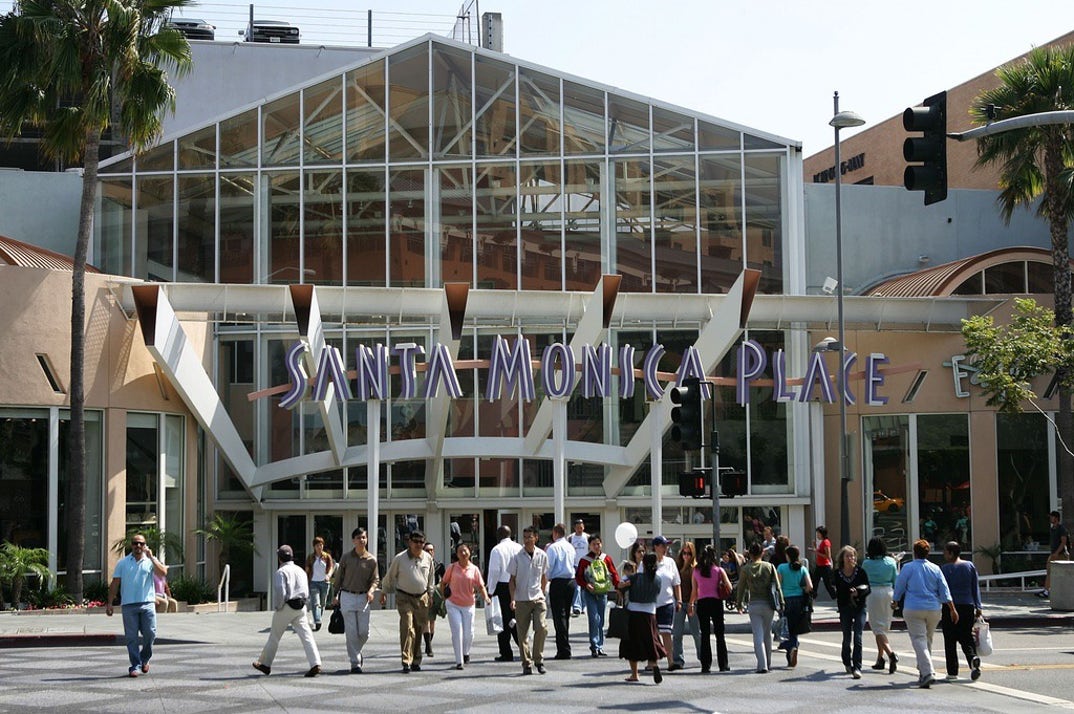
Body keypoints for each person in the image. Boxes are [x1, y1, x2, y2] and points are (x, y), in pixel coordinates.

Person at [894, 538, 957, 688]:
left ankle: (928, 672)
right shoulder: (935, 568)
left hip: (913, 607)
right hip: (934, 608)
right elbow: (944, 590)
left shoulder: (908, 567)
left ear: (915, 552)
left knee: (919, 639)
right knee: (927, 639)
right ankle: (923, 672)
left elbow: (900, 586)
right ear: (927, 553)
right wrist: (952, 608)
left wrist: (895, 600)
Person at [252, 545, 322, 678]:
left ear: (279, 558)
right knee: (307, 636)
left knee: (275, 636)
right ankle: (315, 663)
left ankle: (265, 664)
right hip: (301, 606)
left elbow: (280, 591)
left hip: (287, 606)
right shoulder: (300, 570)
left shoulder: (281, 572)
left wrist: (278, 607)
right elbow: (305, 590)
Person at [106, 533, 168, 677]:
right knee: (131, 637)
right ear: (131, 545)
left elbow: (163, 573)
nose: (138, 546)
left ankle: (144, 659)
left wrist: (152, 557)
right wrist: (109, 603)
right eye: (135, 543)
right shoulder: (123, 563)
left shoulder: (150, 561)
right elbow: (115, 584)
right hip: (129, 605)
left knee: (150, 633)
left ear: (145, 545)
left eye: (141, 543)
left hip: (147, 604)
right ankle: (135, 665)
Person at [380, 529, 436, 673]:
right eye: (415, 541)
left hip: (421, 597)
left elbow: (431, 578)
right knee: (407, 625)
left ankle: (416, 660)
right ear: (409, 542)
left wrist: (430, 594)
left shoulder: (427, 558)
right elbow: (390, 576)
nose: (418, 544)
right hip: (404, 597)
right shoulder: (400, 558)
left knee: (418, 629)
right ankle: (406, 660)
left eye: (421, 542)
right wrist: (384, 591)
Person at [332, 526, 379, 673]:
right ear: (353, 540)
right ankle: (355, 663)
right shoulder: (346, 558)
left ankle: (356, 651)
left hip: (363, 597)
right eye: (359, 538)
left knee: (364, 632)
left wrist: (371, 591)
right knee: (351, 632)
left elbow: (375, 580)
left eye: (364, 537)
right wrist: (335, 595)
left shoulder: (372, 560)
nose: (362, 540)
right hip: (347, 596)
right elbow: (338, 578)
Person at [617, 551, 668, 683]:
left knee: (632, 643)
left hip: (634, 612)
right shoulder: (657, 579)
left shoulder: (636, 577)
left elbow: (621, 585)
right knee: (651, 640)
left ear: (643, 564)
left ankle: (635, 674)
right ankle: (654, 664)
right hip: (651, 612)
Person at [735, 541, 783, 673]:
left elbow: (741, 588)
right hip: (768, 604)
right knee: (767, 633)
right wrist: (781, 603)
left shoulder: (746, 569)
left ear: (750, 554)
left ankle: (762, 665)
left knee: (758, 634)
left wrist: (739, 604)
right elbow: (777, 587)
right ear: (762, 552)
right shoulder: (770, 566)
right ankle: (768, 662)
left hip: (754, 604)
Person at [440, 542, 490, 670]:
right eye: (460, 551)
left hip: (468, 605)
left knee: (469, 633)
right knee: (457, 631)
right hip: (453, 604)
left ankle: (466, 652)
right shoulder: (452, 567)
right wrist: (444, 596)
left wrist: (486, 598)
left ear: (469, 552)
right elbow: (444, 582)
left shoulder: (474, 569)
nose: (463, 553)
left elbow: (480, 586)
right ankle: (459, 661)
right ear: (457, 554)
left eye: (465, 551)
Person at [508, 525, 550, 675]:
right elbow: (511, 580)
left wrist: (543, 593)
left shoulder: (542, 555)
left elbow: (544, 576)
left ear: (536, 538)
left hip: (538, 597)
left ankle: (539, 659)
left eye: (529, 537)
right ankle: (527, 663)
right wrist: (513, 599)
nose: (526, 540)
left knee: (542, 627)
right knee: (522, 633)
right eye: (524, 537)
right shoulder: (517, 556)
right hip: (521, 599)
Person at [940, 541, 983, 681]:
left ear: (951, 553)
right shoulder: (969, 566)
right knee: (966, 637)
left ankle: (952, 672)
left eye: (945, 552)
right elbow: (974, 587)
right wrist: (978, 606)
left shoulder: (945, 569)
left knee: (950, 639)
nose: (944, 554)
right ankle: (972, 659)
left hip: (950, 606)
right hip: (967, 605)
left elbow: (942, 589)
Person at [575, 533, 619, 657]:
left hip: (603, 592)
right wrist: (585, 585)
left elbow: (614, 573)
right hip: (589, 593)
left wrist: (618, 586)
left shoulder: (606, 559)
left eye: (598, 544)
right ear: (589, 546)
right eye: (593, 544)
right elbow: (578, 576)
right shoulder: (584, 560)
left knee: (601, 620)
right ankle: (594, 645)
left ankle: (600, 646)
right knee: (593, 618)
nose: (596, 546)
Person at [690, 545, 733, 673]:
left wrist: (691, 604)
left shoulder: (696, 571)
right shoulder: (719, 570)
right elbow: (729, 587)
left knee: (705, 634)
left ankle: (705, 665)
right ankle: (723, 665)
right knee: (720, 635)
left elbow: (694, 591)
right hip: (716, 602)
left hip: (702, 603)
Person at [861, 537, 899, 674]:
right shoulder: (891, 562)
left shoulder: (866, 564)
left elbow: (863, 579)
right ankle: (880, 658)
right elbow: (896, 580)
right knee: (883, 626)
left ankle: (890, 654)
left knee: (877, 628)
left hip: (873, 593)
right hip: (889, 592)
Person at [832, 545, 870, 679]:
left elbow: (868, 589)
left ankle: (857, 667)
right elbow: (835, 592)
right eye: (847, 556)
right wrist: (847, 594)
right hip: (845, 608)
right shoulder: (837, 573)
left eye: (853, 555)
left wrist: (858, 593)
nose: (851, 558)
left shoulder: (860, 572)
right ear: (842, 558)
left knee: (858, 637)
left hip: (859, 607)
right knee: (847, 637)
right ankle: (847, 661)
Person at [487, 524, 523, 661]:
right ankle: (523, 647)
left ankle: (506, 652)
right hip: (518, 586)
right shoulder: (519, 548)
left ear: (499, 535)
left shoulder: (497, 550)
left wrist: (490, 591)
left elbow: (494, 572)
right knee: (517, 619)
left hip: (502, 587)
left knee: (502, 621)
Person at [775, 544, 812, 669]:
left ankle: (791, 647)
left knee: (785, 628)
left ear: (787, 556)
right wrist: (801, 590)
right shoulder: (802, 568)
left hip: (785, 600)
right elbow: (809, 586)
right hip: (799, 600)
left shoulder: (781, 567)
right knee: (795, 628)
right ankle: (793, 649)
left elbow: (778, 585)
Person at [545, 522, 577, 659]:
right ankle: (565, 645)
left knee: (559, 616)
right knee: (566, 615)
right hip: (570, 581)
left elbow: (549, 566)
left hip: (558, 581)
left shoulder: (553, 548)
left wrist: (547, 578)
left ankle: (563, 649)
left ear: (555, 533)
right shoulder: (570, 547)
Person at [671, 541, 701, 670]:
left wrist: (691, 603)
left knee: (696, 633)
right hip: (679, 602)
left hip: (692, 602)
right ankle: (678, 659)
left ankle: (702, 656)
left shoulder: (695, 568)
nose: (686, 556)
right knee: (677, 633)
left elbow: (696, 588)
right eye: (684, 553)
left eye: (689, 553)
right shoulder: (677, 566)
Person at [305, 536, 334, 632]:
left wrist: (328, 575)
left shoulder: (327, 557)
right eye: (317, 545)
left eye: (321, 545)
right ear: (314, 546)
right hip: (314, 582)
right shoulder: (310, 557)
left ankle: (318, 619)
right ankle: (317, 621)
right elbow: (307, 569)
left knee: (322, 603)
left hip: (324, 583)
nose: (319, 547)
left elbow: (331, 567)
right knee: (316, 603)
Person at [1039, 510, 1070, 599]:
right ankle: (1046, 591)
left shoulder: (1061, 529)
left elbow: (1063, 542)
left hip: (1061, 555)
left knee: (1065, 575)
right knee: (1049, 572)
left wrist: (1057, 553)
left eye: (1052, 517)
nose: (1050, 518)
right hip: (1053, 554)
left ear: (1056, 518)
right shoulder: (1052, 529)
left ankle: (1050, 591)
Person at [422, 541, 445, 657]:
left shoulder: (439, 565)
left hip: (435, 595)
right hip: (423, 594)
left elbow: (445, 580)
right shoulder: (421, 564)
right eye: (427, 550)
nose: (429, 552)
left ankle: (429, 641)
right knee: (426, 619)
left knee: (432, 621)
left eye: (431, 550)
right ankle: (428, 646)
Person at [568, 518, 590, 616]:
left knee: (585, 586)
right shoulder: (570, 538)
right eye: (577, 528)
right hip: (575, 565)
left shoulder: (587, 537)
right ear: (574, 528)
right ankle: (577, 606)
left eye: (581, 527)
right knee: (577, 586)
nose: (579, 529)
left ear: (583, 527)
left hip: (586, 565)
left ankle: (584, 606)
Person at [808, 526, 836, 599]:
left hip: (825, 566)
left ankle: (835, 597)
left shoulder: (826, 542)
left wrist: (816, 551)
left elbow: (828, 556)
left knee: (828, 584)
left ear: (822, 533)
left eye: (818, 533)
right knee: (815, 582)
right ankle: (812, 597)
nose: (817, 535)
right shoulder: (822, 542)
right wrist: (814, 547)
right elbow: (819, 552)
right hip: (820, 565)